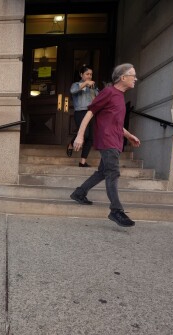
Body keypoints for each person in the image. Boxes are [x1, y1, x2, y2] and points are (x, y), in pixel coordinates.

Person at [69, 63, 141, 227]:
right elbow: (90, 111)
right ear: (123, 77)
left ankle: (79, 193)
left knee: (103, 172)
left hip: (115, 139)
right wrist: (80, 135)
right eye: (133, 75)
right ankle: (116, 210)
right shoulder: (108, 92)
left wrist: (129, 136)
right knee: (113, 172)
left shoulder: (120, 97)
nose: (135, 78)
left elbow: (115, 123)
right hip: (107, 140)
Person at [66, 64, 99, 167]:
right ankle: (71, 144)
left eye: (91, 74)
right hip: (80, 112)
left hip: (92, 113)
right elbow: (73, 91)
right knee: (85, 134)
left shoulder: (94, 87)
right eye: (87, 74)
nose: (89, 76)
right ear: (81, 74)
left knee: (91, 138)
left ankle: (82, 161)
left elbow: (99, 99)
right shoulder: (76, 85)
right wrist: (85, 84)